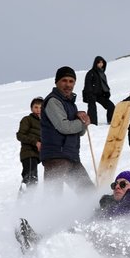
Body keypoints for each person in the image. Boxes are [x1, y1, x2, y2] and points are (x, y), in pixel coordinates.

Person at [40, 66, 94, 194]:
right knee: (53, 196)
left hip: (71, 156)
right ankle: (46, 214)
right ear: (57, 82)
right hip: (56, 157)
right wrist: (82, 123)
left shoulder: (70, 104)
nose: (68, 85)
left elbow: (79, 132)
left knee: (89, 193)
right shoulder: (53, 101)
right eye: (64, 80)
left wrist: (83, 122)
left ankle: (92, 213)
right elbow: (64, 127)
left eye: (71, 81)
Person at [16, 96, 43, 194]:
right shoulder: (27, 119)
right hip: (29, 152)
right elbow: (20, 135)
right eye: (36, 107)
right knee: (31, 177)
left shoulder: (46, 122)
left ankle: (27, 201)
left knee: (32, 178)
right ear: (31, 108)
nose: (38, 110)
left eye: (41, 107)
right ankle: (25, 202)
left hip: (38, 154)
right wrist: (35, 142)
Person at [82, 56, 115, 125]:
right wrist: (90, 94)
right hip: (91, 94)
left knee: (111, 106)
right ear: (95, 63)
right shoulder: (91, 73)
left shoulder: (102, 74)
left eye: (102, 62)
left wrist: (107, 92)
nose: (101, 64)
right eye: (99, 63)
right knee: (92, 108)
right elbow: (87, 84)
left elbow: (104, 84)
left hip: (100, 95)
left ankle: (111, 121)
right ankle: (92, 124)